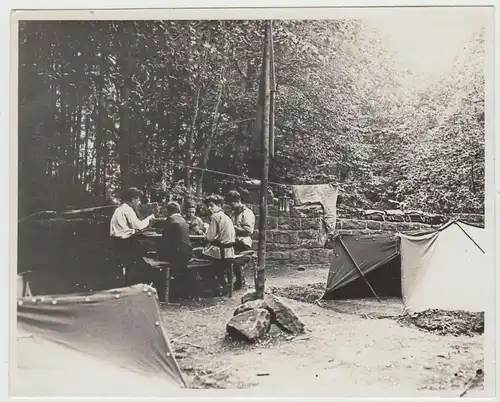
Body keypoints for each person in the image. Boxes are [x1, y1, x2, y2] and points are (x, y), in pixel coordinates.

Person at [110, 187, 156, 282]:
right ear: (133, 199)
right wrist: (149, 218)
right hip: (124, 242)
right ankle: (148, 279)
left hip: (117, 241)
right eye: (138, 200)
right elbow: (138, 226)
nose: (139, 203)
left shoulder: (119, 209)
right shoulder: (127, 209)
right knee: (150, 248)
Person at [193, 194, 235, 293]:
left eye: (212, 205)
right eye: (208, 206)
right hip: (229, 251)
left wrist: (206, 232)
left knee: (196, 253)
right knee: (202, 253)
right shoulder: (226, 217)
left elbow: (209, 237)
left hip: (220, 252)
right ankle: (219, 284)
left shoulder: (215, 216)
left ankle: (211, 285)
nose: (209, 208)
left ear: (219, 205)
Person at [158, 201, 194, 297]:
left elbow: (165, 241)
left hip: (177, 255)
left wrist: (158, 252)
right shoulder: (183, 220)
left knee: (153, 257)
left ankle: (162, 290)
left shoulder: (170, 220)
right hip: (187, 254)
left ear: (168, 211)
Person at [226, 190, 256, 290]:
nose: (231, 206)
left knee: (229, 255)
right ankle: (227, 281)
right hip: (234, 241)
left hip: (244, 243)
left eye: (232, 204)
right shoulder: (233, 213)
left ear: (238, 201)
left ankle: (238, 280)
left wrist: (233, 227)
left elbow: (248, 232)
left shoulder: (247, 213)